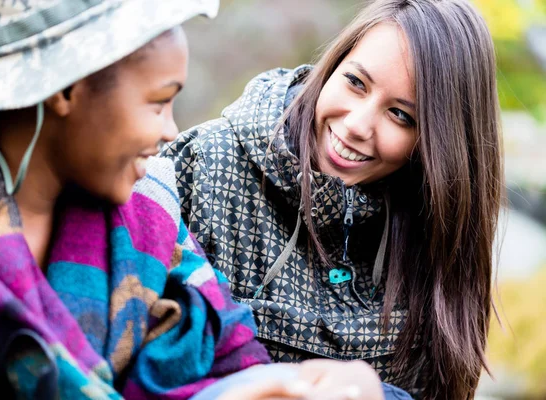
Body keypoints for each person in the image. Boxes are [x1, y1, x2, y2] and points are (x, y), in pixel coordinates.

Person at [0, 1, 399, 399]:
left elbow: (236, 361)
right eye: (158, 103)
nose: (170, 131)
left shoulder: (151, 229)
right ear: (67, 89)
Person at [160, 0, 503, 398]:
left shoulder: (435, 230)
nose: (356, 124)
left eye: (400, 116)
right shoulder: (203, 164)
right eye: (356, 82)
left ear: (438, 145)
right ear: (334, 65)